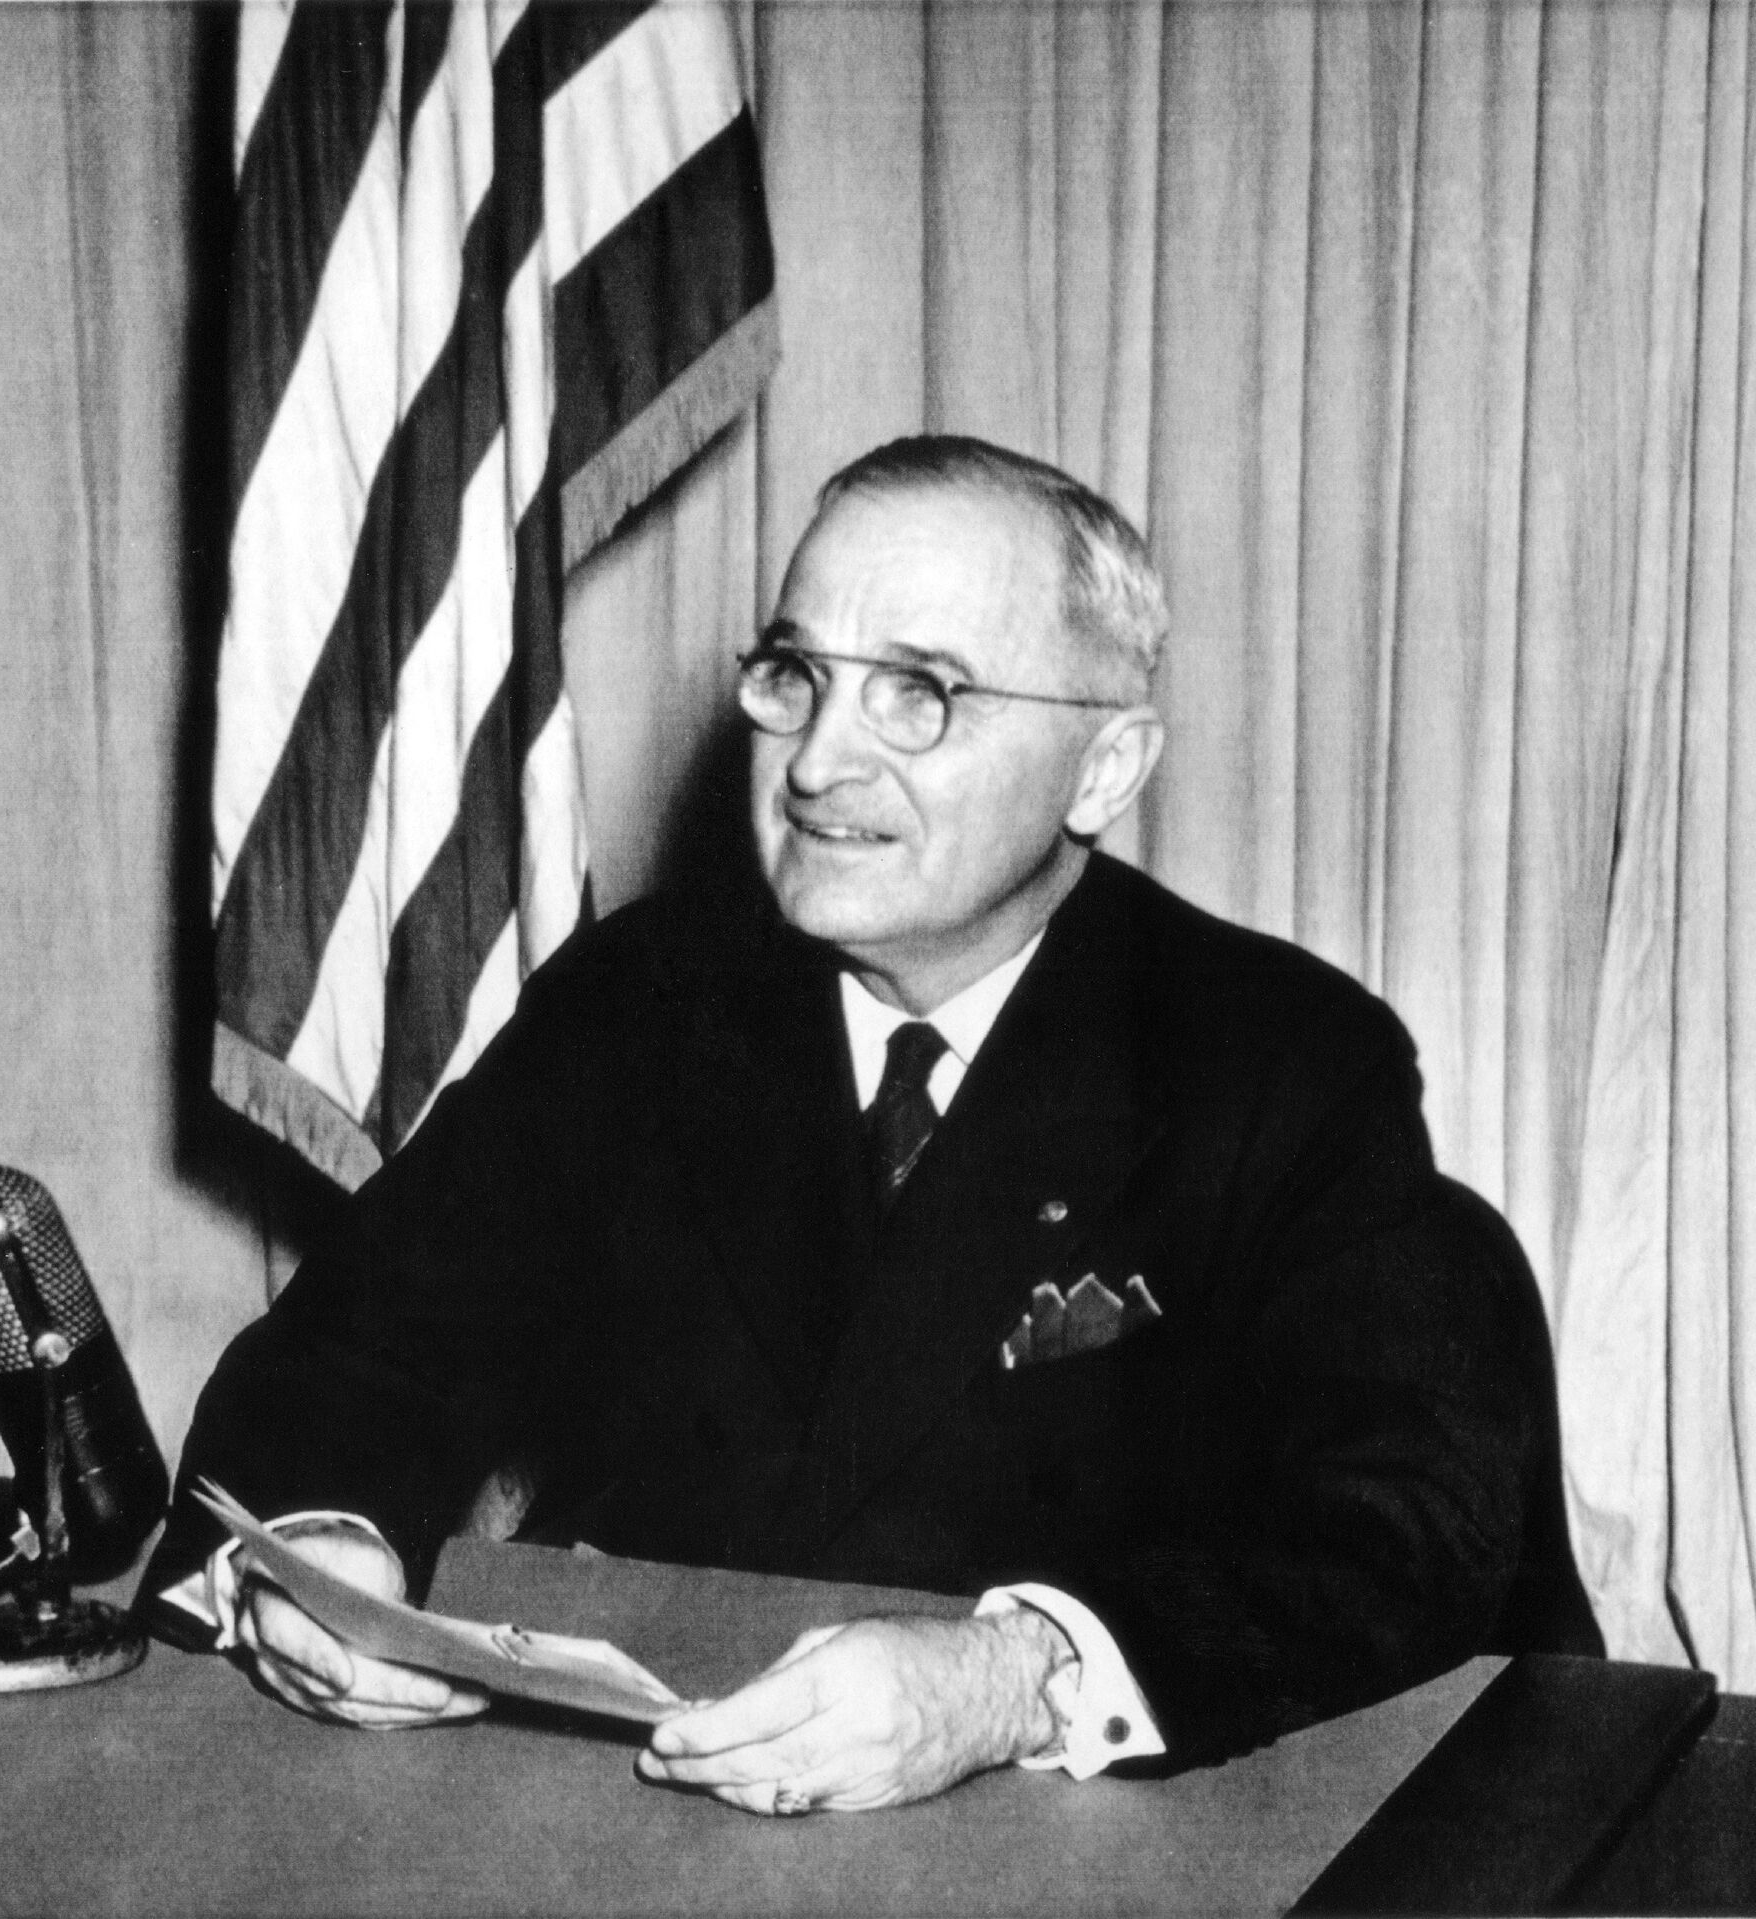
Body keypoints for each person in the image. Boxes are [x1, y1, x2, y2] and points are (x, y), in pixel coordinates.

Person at [144, 435, 1599, 1815]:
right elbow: (362, 1348)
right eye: (796, 675)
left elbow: (1403, 1523)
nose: (817, 761)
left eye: (921, 693)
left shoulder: (1279, 1061)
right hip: (656, 1820)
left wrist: (1013, 1679)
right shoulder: (639, 1006)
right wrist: (316, 1546)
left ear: (1104, 768)